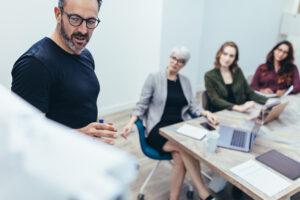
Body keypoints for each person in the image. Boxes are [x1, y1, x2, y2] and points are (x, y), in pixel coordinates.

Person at [11, 0, 117, 144]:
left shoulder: (85, 55)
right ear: (58, 14)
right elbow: (23, 137)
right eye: (75, 19)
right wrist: (79, 135)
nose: (84, 30)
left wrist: (93, 133)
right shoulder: (35, 65)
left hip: (82, 156)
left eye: (91, 21)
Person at [121, 47, 218, 200]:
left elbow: (192, 105)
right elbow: (142, 104)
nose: (175, 62)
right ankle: (203, 192)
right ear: (169, 57)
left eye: (180, 61)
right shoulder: (154, 77)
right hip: (158, 129)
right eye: (174, 58)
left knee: (180, 155)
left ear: (183, 64)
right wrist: (131, 122)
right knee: (185, 148)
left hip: (179, 128)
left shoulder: (185, 81)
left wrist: (205, 112)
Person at [204, 41, 267, 113]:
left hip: (239, 113)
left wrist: (269, 102)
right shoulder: (209, 76)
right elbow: (215, 100)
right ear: (219, 54)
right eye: (225, 54)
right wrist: (238, 108)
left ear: (235, 59)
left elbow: (250, 93)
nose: (227, 59)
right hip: (220, 113)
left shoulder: (238, 72)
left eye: (231, 56)